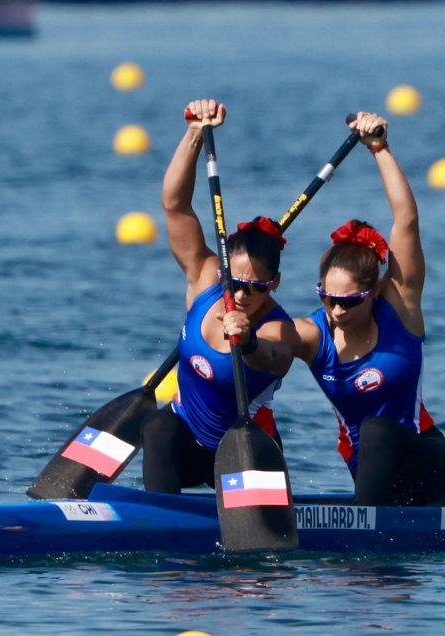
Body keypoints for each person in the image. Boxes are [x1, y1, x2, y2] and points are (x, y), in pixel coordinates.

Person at [293, 112, 445, 506]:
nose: (336, 310)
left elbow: (407, 220)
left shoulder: (400, 306)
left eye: (349, 301)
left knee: (376, 430)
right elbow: (270, 340)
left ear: (372, 292)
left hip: (425, 460)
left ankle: (364, 523)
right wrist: (245, 333)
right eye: (326, 297)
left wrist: (379, 148)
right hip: (369, 473)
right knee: (370, 435)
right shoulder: (313, 335)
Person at [141, 99, 300, 494]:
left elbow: (272, 358)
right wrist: (195, 133)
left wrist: (248, 341)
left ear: (275, 283)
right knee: (158, 425)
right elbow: (174, 205)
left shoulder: (281, 328)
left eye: (256, 287)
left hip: (247, 453)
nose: (242, 294)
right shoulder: (204, 276)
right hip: (186, 445)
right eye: (235, 282)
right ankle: (161, 521)